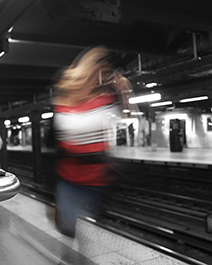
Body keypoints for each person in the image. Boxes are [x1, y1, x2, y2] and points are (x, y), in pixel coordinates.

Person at [50, 46, 137, 260]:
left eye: (107, 72)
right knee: (70, 233)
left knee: (86, 234)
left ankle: (78, 258)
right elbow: (64, 141)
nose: (103, 76)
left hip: (98, 181)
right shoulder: (65, 102)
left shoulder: (106, 100)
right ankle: (73, 258)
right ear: (89, 70)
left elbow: (126, 123)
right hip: (71, 180)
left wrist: (122, 92)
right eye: (101, 70)